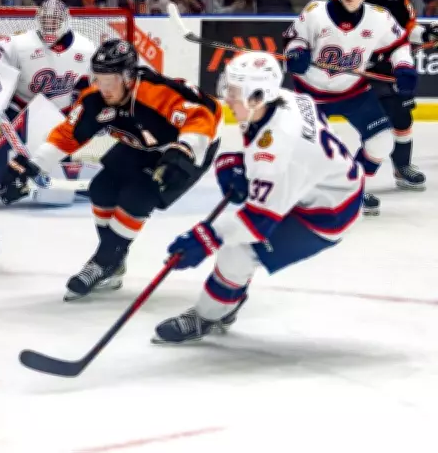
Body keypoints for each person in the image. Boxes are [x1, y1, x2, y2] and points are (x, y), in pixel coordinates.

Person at [152, 52, 364, 344]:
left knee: (238, 251)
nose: (227, 98)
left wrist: (206, 237)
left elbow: (257, 223)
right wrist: (249, 168)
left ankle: (209, 315)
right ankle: (227, 300)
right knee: (231, 177)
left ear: (258, 96)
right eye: (228, 87)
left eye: (235, 92)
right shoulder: (285, 100)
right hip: (322, 185)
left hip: (327, 214)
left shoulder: (277, 153)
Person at [1, 39, 222, 300]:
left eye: (110, 81)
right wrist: (32, 167)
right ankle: (113, 260)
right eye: (99, 79)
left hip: (191, 146)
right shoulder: (95, 99)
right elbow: (67, 135)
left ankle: (104, 259)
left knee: (137, 197)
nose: (103, 88)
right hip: (141, 144)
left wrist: (185, 149)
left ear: (128, 78)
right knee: (101, 188)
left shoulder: (154, 93)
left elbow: (203, 115)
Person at [283, 0, 416, 216]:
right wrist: (296, 53)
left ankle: (351, 187)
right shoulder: (315, 12)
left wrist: (404, 67)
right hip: (311, 93)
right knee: (308, 148)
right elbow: (293, 38)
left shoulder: (379, 18)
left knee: (382, 141)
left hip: (354, 92)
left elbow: (399, 44)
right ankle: (302, 190)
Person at [346, 0, 438, 191]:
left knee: (402, 116)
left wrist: (426, 34)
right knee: (376, 123)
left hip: (390, 65)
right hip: (360, 67)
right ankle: (354, 177)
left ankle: (402, 167)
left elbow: (407, 28)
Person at [0, 0, 97, 118]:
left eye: (54, 22)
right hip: (22, 115)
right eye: (45, 21)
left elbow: (90, 88)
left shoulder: (86, 48)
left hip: (65, 117)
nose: (49, 27)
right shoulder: (18, 44)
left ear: (66, 22)